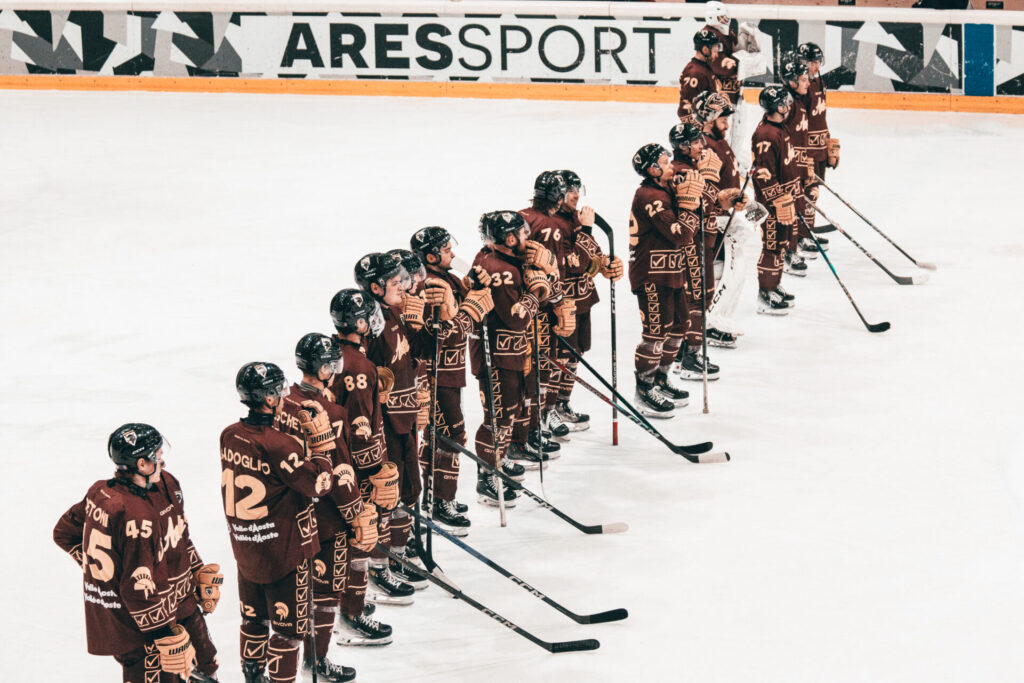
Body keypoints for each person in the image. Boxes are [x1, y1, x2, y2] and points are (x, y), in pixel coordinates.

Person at [52, 423, 213, 682]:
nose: (162, 461)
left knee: (207, 667)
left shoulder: (163, 484)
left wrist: (196, 569)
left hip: (178, 606)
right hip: (141, 628)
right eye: (157, 457)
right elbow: (135, 588)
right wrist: (162, 634)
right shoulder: (133, 515)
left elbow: (180, 533)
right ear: (142, 464)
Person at [221, 361, 338, 683]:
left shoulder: (229, 436)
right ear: (270, 399)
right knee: (289, 632)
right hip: (285, 553)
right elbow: (319, 484)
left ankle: (253, 677)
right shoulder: (278, 444)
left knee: (254, 621)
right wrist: (323, 446)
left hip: (247, 549)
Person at [276, 333, 376, 679]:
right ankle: (316, 660)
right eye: (333, 364)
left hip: (292, 517)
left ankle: (301, 657)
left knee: (298, 592)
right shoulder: (332, 412)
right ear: (323, 369)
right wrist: (357, 513)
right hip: (326, 519)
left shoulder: (283, 403)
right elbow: (341, 473)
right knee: (325, 592)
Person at [410, 226, 502, 534]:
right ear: (432, 256)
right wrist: (472, 309)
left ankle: (435, 496)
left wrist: (473, 286)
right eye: (447, 249)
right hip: (434, 374)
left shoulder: (447, 278)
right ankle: (440, 501)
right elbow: (443, 335)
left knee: (440, 436)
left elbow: (465, 299)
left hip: (449, 372)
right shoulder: (429, 286)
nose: (453, 253)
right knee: (449, 435)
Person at [356, 250, 436, 595]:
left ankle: (399, 557)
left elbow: (423, 351)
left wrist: (421, 322)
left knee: (406, 491)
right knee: (384, 496)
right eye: (394, 282)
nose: (403, 287)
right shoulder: (369, 324)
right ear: (375, 287)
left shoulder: (395, 312)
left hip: (405, 418)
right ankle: (378, 566)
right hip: (382, 425)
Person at [328, 288, 401, 640]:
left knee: (347, 539)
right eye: (369, 318)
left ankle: (348, 600)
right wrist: (374, 473)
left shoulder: (334, 355)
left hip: (333, 466)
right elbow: (359, 431)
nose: (374, 322)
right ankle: (351, 615)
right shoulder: (359, 367)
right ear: (358, 323)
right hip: (353, 469)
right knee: (360, 534)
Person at [469, 210, 552, 504]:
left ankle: (498, 461)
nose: (528, 237)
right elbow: (516, 318)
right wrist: (537, 288)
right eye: (523, 232)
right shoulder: (500, 271)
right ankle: (486, 478)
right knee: (498, 418)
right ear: (508, 238)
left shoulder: (503, 260)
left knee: (508, 415)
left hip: (512, 353)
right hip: (498, 358)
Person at [627, 142, 705, 416]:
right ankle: (644, 389)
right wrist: (690, 207)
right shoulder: (649, 196)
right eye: (665, 161)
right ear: (652, 168)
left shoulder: (665, 189)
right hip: (651, 274)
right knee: (655, 333)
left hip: (671, 270)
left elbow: (693, 215)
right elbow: (682, 234)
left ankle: (660, 378)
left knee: (680, 325)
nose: (672, 165)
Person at [551, 169, 623, 429]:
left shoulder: (574, 218)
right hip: (563, 305)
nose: (576, 194)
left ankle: (562, 403)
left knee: (575, 355)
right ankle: (548, 409)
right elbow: (573, 262)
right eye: (570, 190)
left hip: (583, 300)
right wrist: (589, 229)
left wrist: (607, 265)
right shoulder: (554, 224)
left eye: (577, 188)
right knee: (559, 357)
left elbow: (590, 257)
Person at [692, 91, 763, 346]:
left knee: (736, 272)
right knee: (725, 273)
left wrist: (750, 206)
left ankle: (715, 320)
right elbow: (703, 193)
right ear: (709, 118)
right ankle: (709, 323)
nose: (728, 122)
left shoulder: (718, 141)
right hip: (717, 222)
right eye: (723, 117)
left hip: (728, 218)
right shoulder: (705, 148)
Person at [520, 171, 577, 445]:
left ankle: (541, 416)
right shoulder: (547, 224)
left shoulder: (522, 217)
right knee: (542, 365)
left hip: (537, 303)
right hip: (541, 307)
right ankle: (536, 420)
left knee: (544, 365)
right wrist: (557, 299)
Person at [667, 122, 721, 383]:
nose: (702, 145)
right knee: (698, 297)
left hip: (698, 241)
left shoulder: (684, 168)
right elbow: (702, 207)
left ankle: (680, 352)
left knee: (696, 296)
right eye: (696, 142)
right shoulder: (684, 172)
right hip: (691, 245)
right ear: (684, 146)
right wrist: (710, 177)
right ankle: (691, 356)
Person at [751, 85, 803, 315]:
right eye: (785, 103)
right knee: (771, 246)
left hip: (785, 200)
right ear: (777, 107)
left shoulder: (780, 128)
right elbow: (762, 174)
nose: (789, 106)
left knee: (781, 245)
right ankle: (765, 293)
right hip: (770, 205)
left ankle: (775, 284)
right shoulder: (766, 135)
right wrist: (779, 200)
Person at [779, 53, 814, 274]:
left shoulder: (798, 101)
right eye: (803, 79)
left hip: (797, 165)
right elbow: (780, 138)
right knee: (788, 212)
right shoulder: (786, 104)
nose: (808, 82)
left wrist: (806, 163)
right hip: (787, 168)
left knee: (798, 207)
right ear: (792, 82)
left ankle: (795, 245)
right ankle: (787, 252)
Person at [798, 41, 835, 246]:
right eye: (812, 62)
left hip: (820, 148)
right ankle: (801, 235)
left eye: (818, 62)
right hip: (807, 151)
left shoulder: (821, 83)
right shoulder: (800, 89)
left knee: (814, 193)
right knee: (805, 193)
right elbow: (797, 125)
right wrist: (802, 155)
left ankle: (808, 231)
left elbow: (821, 117)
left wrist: (828, 142)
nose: (816, 66)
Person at [677, 29, 723, 124]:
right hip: (697, 123)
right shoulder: (695, 73)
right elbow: (687, 108)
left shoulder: (704, 67)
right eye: (714, 51)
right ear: (705, 50)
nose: (717, 54)